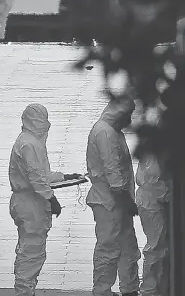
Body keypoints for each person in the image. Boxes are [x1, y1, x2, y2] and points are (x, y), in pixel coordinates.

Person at [8, 103, 67, 296]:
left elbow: (40, 174)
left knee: (28, 248)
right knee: (32, 252)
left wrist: (64, 177)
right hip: (30, 204)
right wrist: (51, 199)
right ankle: (24, 291)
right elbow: (37, 179)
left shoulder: (28, 141)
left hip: (26, 201)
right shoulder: (30, 144)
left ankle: (25, 289)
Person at [86, 96, 141, 296]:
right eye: (127, 114)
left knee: (128, 247)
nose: (129, 119)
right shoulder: (105, 133)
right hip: (108, 202)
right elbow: (113, 172)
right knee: (108, 248)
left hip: (117, 202)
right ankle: (102, 291)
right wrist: (127, 201)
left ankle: (130, 288)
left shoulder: (113, 132)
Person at [136, 153, 171, 296]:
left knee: (161, 248)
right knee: (155, 247)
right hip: (152, 203)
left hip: (155, 201)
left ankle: (159, 288)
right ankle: (149, 290)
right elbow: (153, 180)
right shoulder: (154, 154)